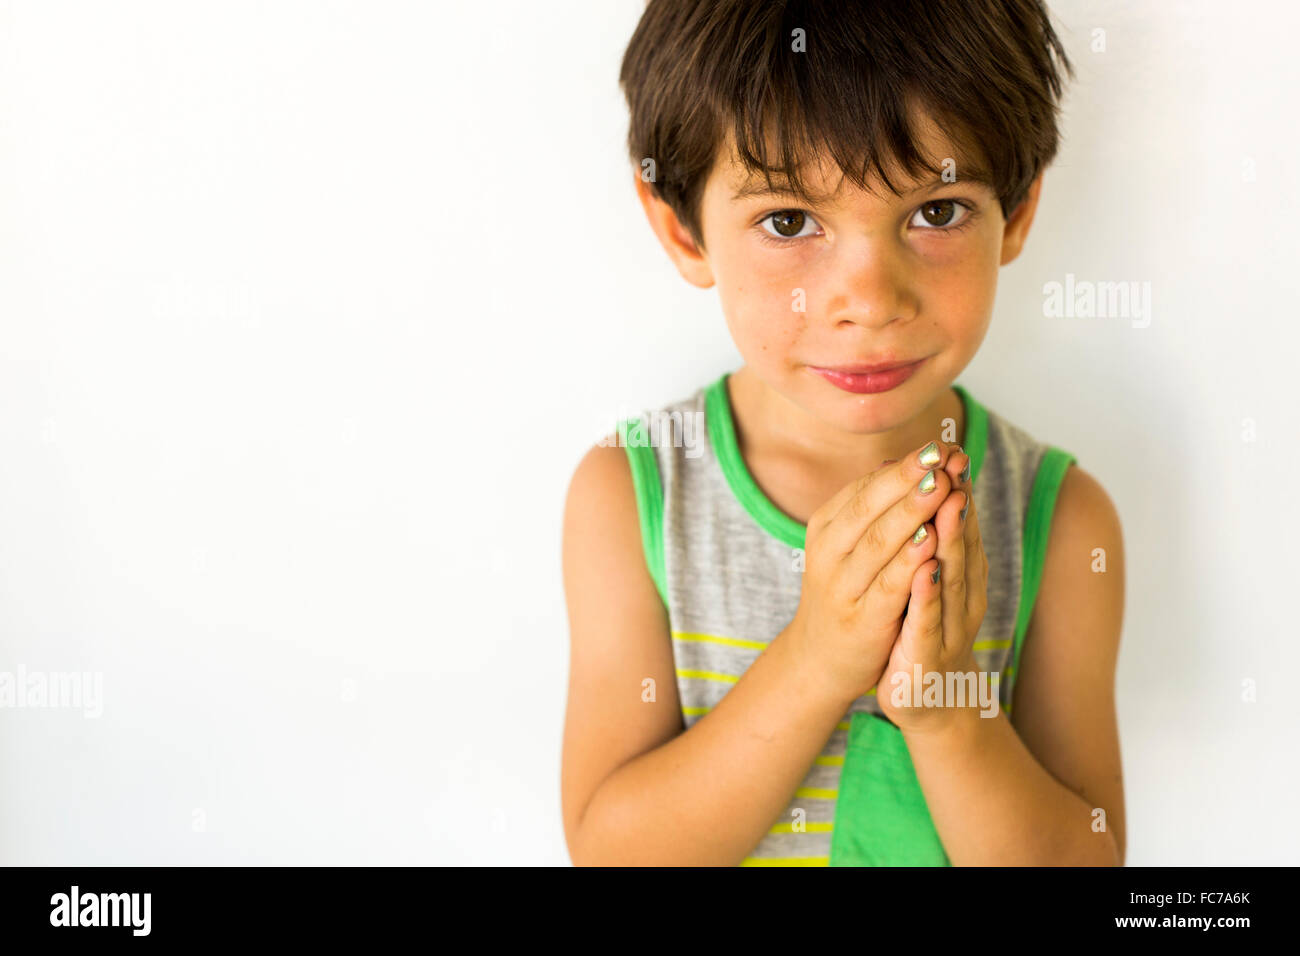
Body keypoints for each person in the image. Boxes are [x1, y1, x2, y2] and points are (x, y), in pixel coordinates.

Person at [561, 0, 1125, 866]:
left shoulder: (1063, 523)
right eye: (789, 222)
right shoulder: (632, 494)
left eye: (936, 213)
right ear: (683, 228)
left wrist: (946, 705)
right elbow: (614, 852)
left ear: (1014, 213)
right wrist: (817, 660)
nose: (868, 300)